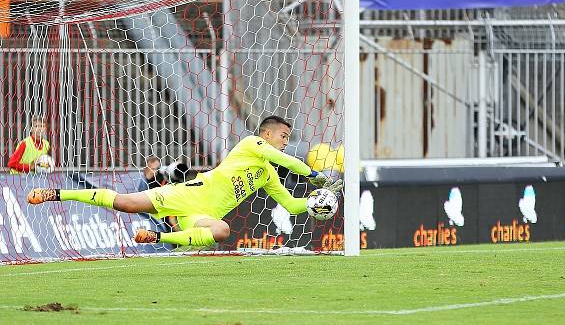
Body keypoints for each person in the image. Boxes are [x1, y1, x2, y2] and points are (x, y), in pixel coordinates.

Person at [28, 116, 342, 248]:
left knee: (221, 231)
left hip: (202, 215)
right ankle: (56, 192)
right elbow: (288, 161)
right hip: (186, 196)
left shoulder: (266, 174)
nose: (287, 143)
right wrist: (316, 176)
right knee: (125, 203)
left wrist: (313, 204)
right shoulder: (250, 144)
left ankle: (158, 238)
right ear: (267, 134)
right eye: (283, 136)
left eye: (288, 138)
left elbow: (288, 203)